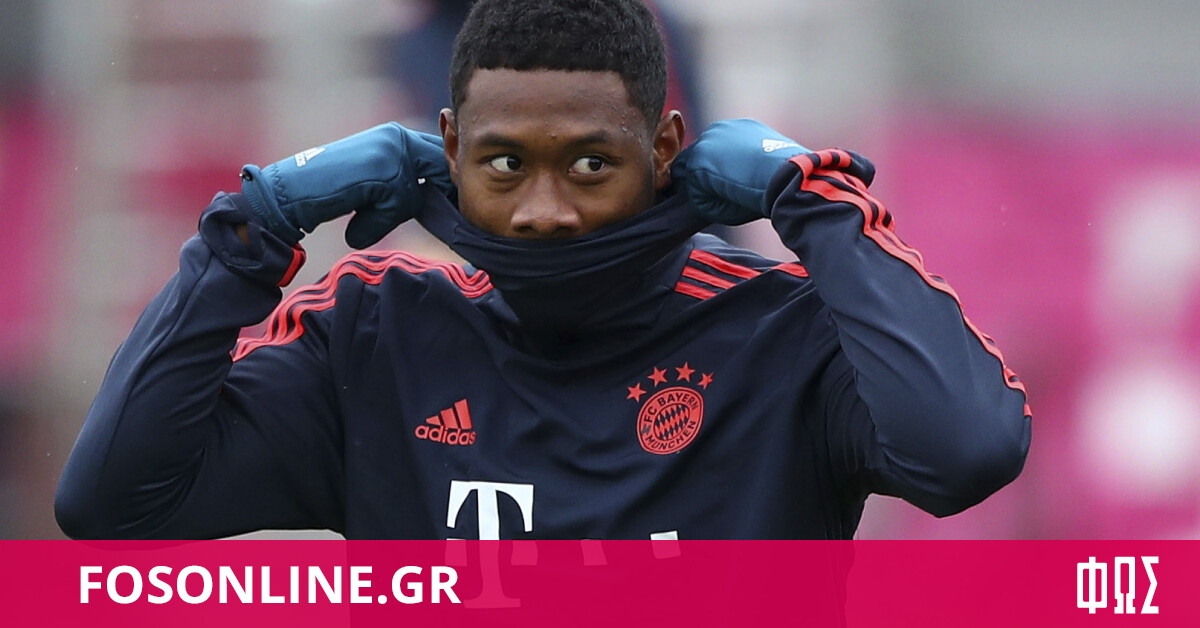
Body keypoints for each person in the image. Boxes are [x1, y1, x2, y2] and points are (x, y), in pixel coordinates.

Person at [55, 0, 1030, 540]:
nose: (545, 210)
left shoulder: (785, 333)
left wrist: (815, 202)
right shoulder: (368, 335)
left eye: (592, 164)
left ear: (666, 149)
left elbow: (968, 452)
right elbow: (112, 503)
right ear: (449, 149)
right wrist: (254, 228)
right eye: (505, 164)